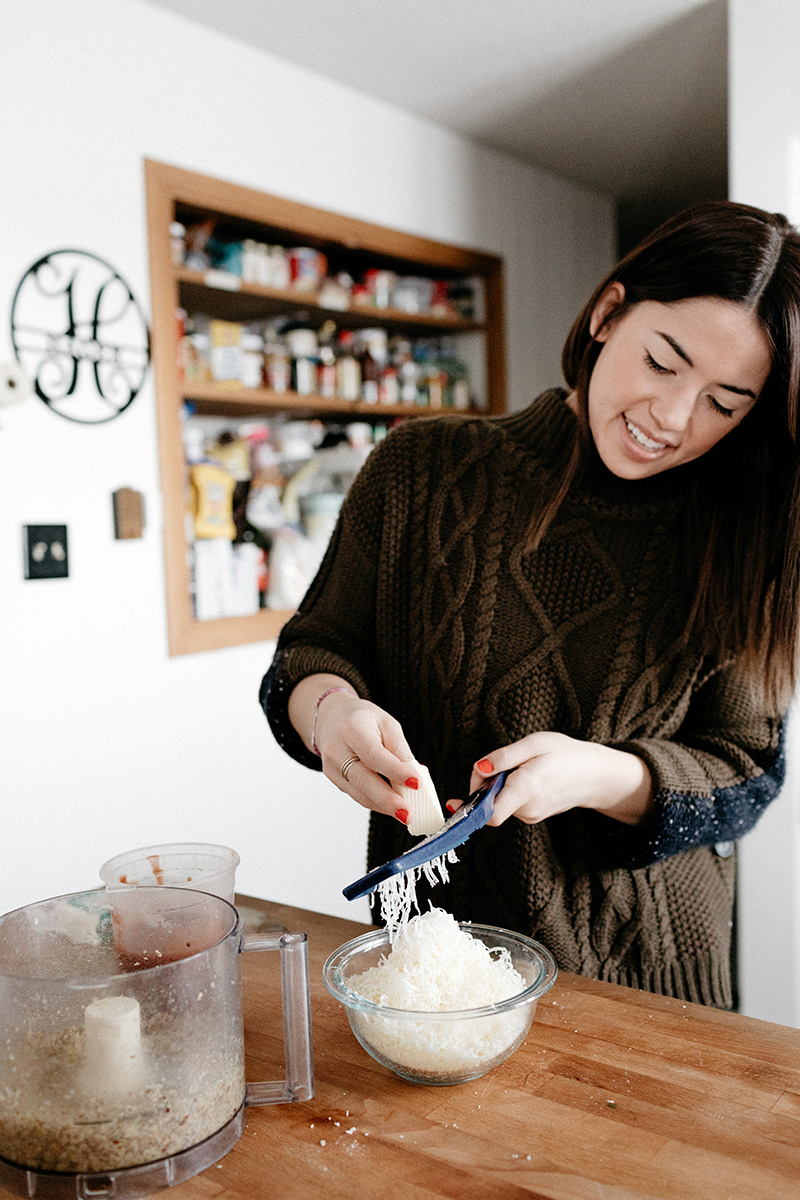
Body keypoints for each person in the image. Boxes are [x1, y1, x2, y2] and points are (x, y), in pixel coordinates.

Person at [260, 200, 800, 1009]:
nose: (674, 418)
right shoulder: (421, 471)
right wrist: (331, 716)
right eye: (662, 363)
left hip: (650, 983)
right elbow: (310, 656)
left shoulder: (743, 535)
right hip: (441, 969)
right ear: (609, 314)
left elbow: (746, 773)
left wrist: (601, 774)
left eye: (724, 403)